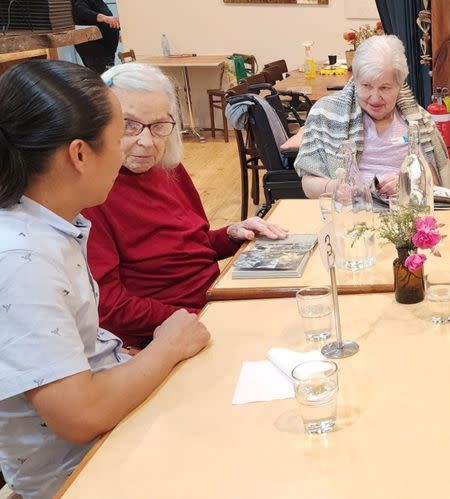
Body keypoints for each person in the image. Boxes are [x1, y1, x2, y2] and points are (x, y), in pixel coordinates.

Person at [0, 60, 210, 499]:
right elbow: (80, 415)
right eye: (118, 139)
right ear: (79, 154)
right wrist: (168, 345)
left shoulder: (51, 223)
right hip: (83, 470)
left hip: (115, 422)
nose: (130, 151)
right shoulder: (23, 259)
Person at [83, 62, 288, 349]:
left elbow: (193, 244)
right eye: (129, 125)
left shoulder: (168, 168)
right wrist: (199, 318)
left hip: (214, 301)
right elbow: (110, 307)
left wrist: (231, 233)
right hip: (168, 334)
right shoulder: (92, 194)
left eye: (158, 126)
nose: (146, 142)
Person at [294, 35, 450, 198]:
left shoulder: (419, 120)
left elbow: (437, 177)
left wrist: (410, 182)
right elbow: (308, 185)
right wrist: (340, 187)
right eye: (366, 86)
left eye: (385, 88)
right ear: (355, 80)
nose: (375, 97)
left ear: (399, 85)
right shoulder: (325, 114)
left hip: (406, 211)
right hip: (352, 211)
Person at [72, 0, 120, 74]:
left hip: (107, 52)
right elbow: (83, 12)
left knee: (108, 79)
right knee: (105, 81)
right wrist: (104, 18)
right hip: (96, 53)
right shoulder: (79, 2)